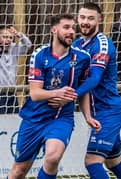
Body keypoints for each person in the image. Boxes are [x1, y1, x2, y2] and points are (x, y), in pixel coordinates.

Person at [7, 14, 100, 179]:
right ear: (54, 30)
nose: (71, 32)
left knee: (53, 157)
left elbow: (83, 90)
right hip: (34, 118)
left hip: (61, 118)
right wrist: (58, 93)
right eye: (66, 27)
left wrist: (88, 116)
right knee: (18, 171)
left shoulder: (82, 58)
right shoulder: (40, 55)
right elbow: (35, 94)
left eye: (73, 28)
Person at [72, 2, 121, 179]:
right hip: (96, 113)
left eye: (90, 18)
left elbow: (94, 79)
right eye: (82, 17)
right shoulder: (77, 44)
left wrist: (69, 96)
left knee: (92, 161)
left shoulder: (102, 44)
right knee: (113, 162)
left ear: (99, 20)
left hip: (108, 111)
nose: (85, 22)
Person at [0, 25, 32, 114]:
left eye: (10, 37)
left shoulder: (14, 48)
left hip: (12, 90)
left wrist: (18, 34)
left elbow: (28, 45)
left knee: (13, 115)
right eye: (5, 37)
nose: (8, 39)